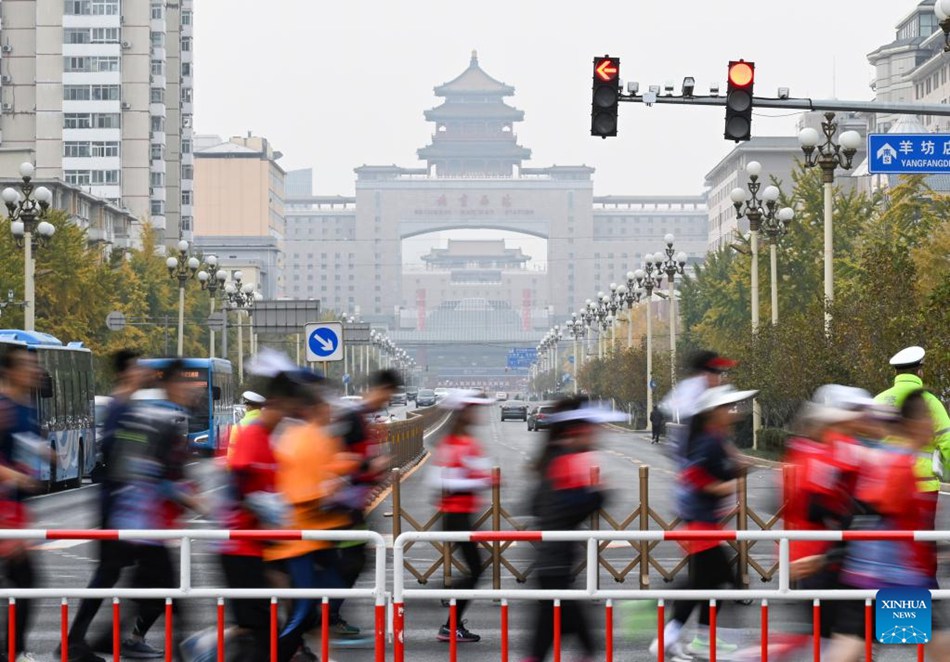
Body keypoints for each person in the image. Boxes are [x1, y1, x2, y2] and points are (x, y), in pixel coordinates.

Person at [829, 390, 950, 661]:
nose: (932, 426)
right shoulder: (898, 463)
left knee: (850, 647)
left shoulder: (888, 456)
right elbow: (872, 511)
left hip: (876, 575)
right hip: (896, 579)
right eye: (928, 419)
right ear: (914, 423)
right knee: (940, 647)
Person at [103, 359, 206, 659]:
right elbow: (150, 473)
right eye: (187, 383)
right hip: (145, 520)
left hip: (150, 522)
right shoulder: (162, 419)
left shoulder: (172, 416)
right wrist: (188, 497)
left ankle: (117, 637)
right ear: (172, 385)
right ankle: (178, 648)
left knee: (154, 589)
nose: (193, 390)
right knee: (173, 590)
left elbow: (171, 470)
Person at [650, 384, 756, 660]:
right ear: (712, 413)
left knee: (709, 583)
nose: (733, 413)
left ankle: (684, 637)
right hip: (699, 525)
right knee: (716, 582)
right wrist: (723, 488)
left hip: (708, 524)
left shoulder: (716, 438)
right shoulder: (707, 441)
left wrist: (737, 465)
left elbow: (729, 465)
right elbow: (693, 475)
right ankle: (684, 635)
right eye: (727, 408)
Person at [64, 350, 151, 662]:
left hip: (127, 503)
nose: (143, 373)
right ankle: (81, 641)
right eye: (139, 368)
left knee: (113, 573)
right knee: (125, 572)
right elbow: (117, 452)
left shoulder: (127, 406)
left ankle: (80, 640)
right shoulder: (118, 407)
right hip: (119, 504)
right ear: (127, 372)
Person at [267, 375, 360, 662]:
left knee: (328, 595)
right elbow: (300, 492)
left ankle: (301, 648)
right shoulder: (302, 439)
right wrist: (335, 494)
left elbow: (329, 468)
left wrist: (353, 467)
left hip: (318, 537)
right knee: (305, 608)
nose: (331, 410)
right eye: (325, 404)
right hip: (300, 540)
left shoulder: (318, 438)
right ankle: (279, 653)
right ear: (312, 409)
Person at [209, 375, 301, 661]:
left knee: (260, 626)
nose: (289, 417)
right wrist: (267, 509)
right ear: (272, 405)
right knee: (260, 628)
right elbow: (239, 485)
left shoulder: (270, 441)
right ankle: (205, 652)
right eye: (287, 410)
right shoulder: (253, 435)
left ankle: (207, 650)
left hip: (258, 546)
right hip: (239, 547)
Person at [522, 397, 618, 662]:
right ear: (575, 431)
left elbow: (537, 504)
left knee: (547, 636)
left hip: (554, 562)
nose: (594, 434)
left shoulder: (553, 456)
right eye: (589, 429)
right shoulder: (562, 460)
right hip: (554, 564)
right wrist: (598, 493)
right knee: (582, 639)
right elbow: (573, 507)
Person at [327, 368, 401, 639]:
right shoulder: (351, 418)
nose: (388, 401)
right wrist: (369, 466)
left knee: (351, 561)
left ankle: (326, 613)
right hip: (339, 506)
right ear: (380, 389)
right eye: (389, 395)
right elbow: (334, 458)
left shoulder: (361, 417)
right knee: (349, 561)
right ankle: (325, 614)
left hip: (352, 504)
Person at [429, 389, 494, 644]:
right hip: (454, 514)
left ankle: (451, 620)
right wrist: (482, 480)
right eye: (472, 410)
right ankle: (449, 620)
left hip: (461, 513)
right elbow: (441, 479)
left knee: (476, 569)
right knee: (476, 570)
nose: (477, 414)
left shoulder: (463, 441)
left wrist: (482, 477)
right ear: (463, 413)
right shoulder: (456, 443)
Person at [0, 346, 46, 662]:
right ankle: (13, 650)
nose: (34, 371)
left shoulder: (27, 407)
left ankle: (12, 649)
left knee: (24, 581)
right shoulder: (2, 407)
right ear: (11, 371)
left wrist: (45, 455)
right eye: (28, 366)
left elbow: (26, 446)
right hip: (4, 507)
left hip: (15, 509)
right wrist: (15, 476)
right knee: (25, 581)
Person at [874, 346, 950, 532]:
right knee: (922, 543)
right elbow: (947, 442)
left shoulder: (878, 400)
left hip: (885, 485)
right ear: (920, 371)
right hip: (923, 487)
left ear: (896, 373)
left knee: (892, 540)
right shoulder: (929, 402)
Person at [659, 350, 737, 458]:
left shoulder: (697, 391)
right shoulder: (695, 394)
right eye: (717, 372)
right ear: (705, 373)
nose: (719, 378)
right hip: (694, 461)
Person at [226, 391, 265, 462]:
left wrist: (229, 469)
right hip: (264, 468)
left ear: (248, 407)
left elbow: (232, 451)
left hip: (246, 467)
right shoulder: (269, 422)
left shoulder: (238, 426)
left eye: (246, 405)